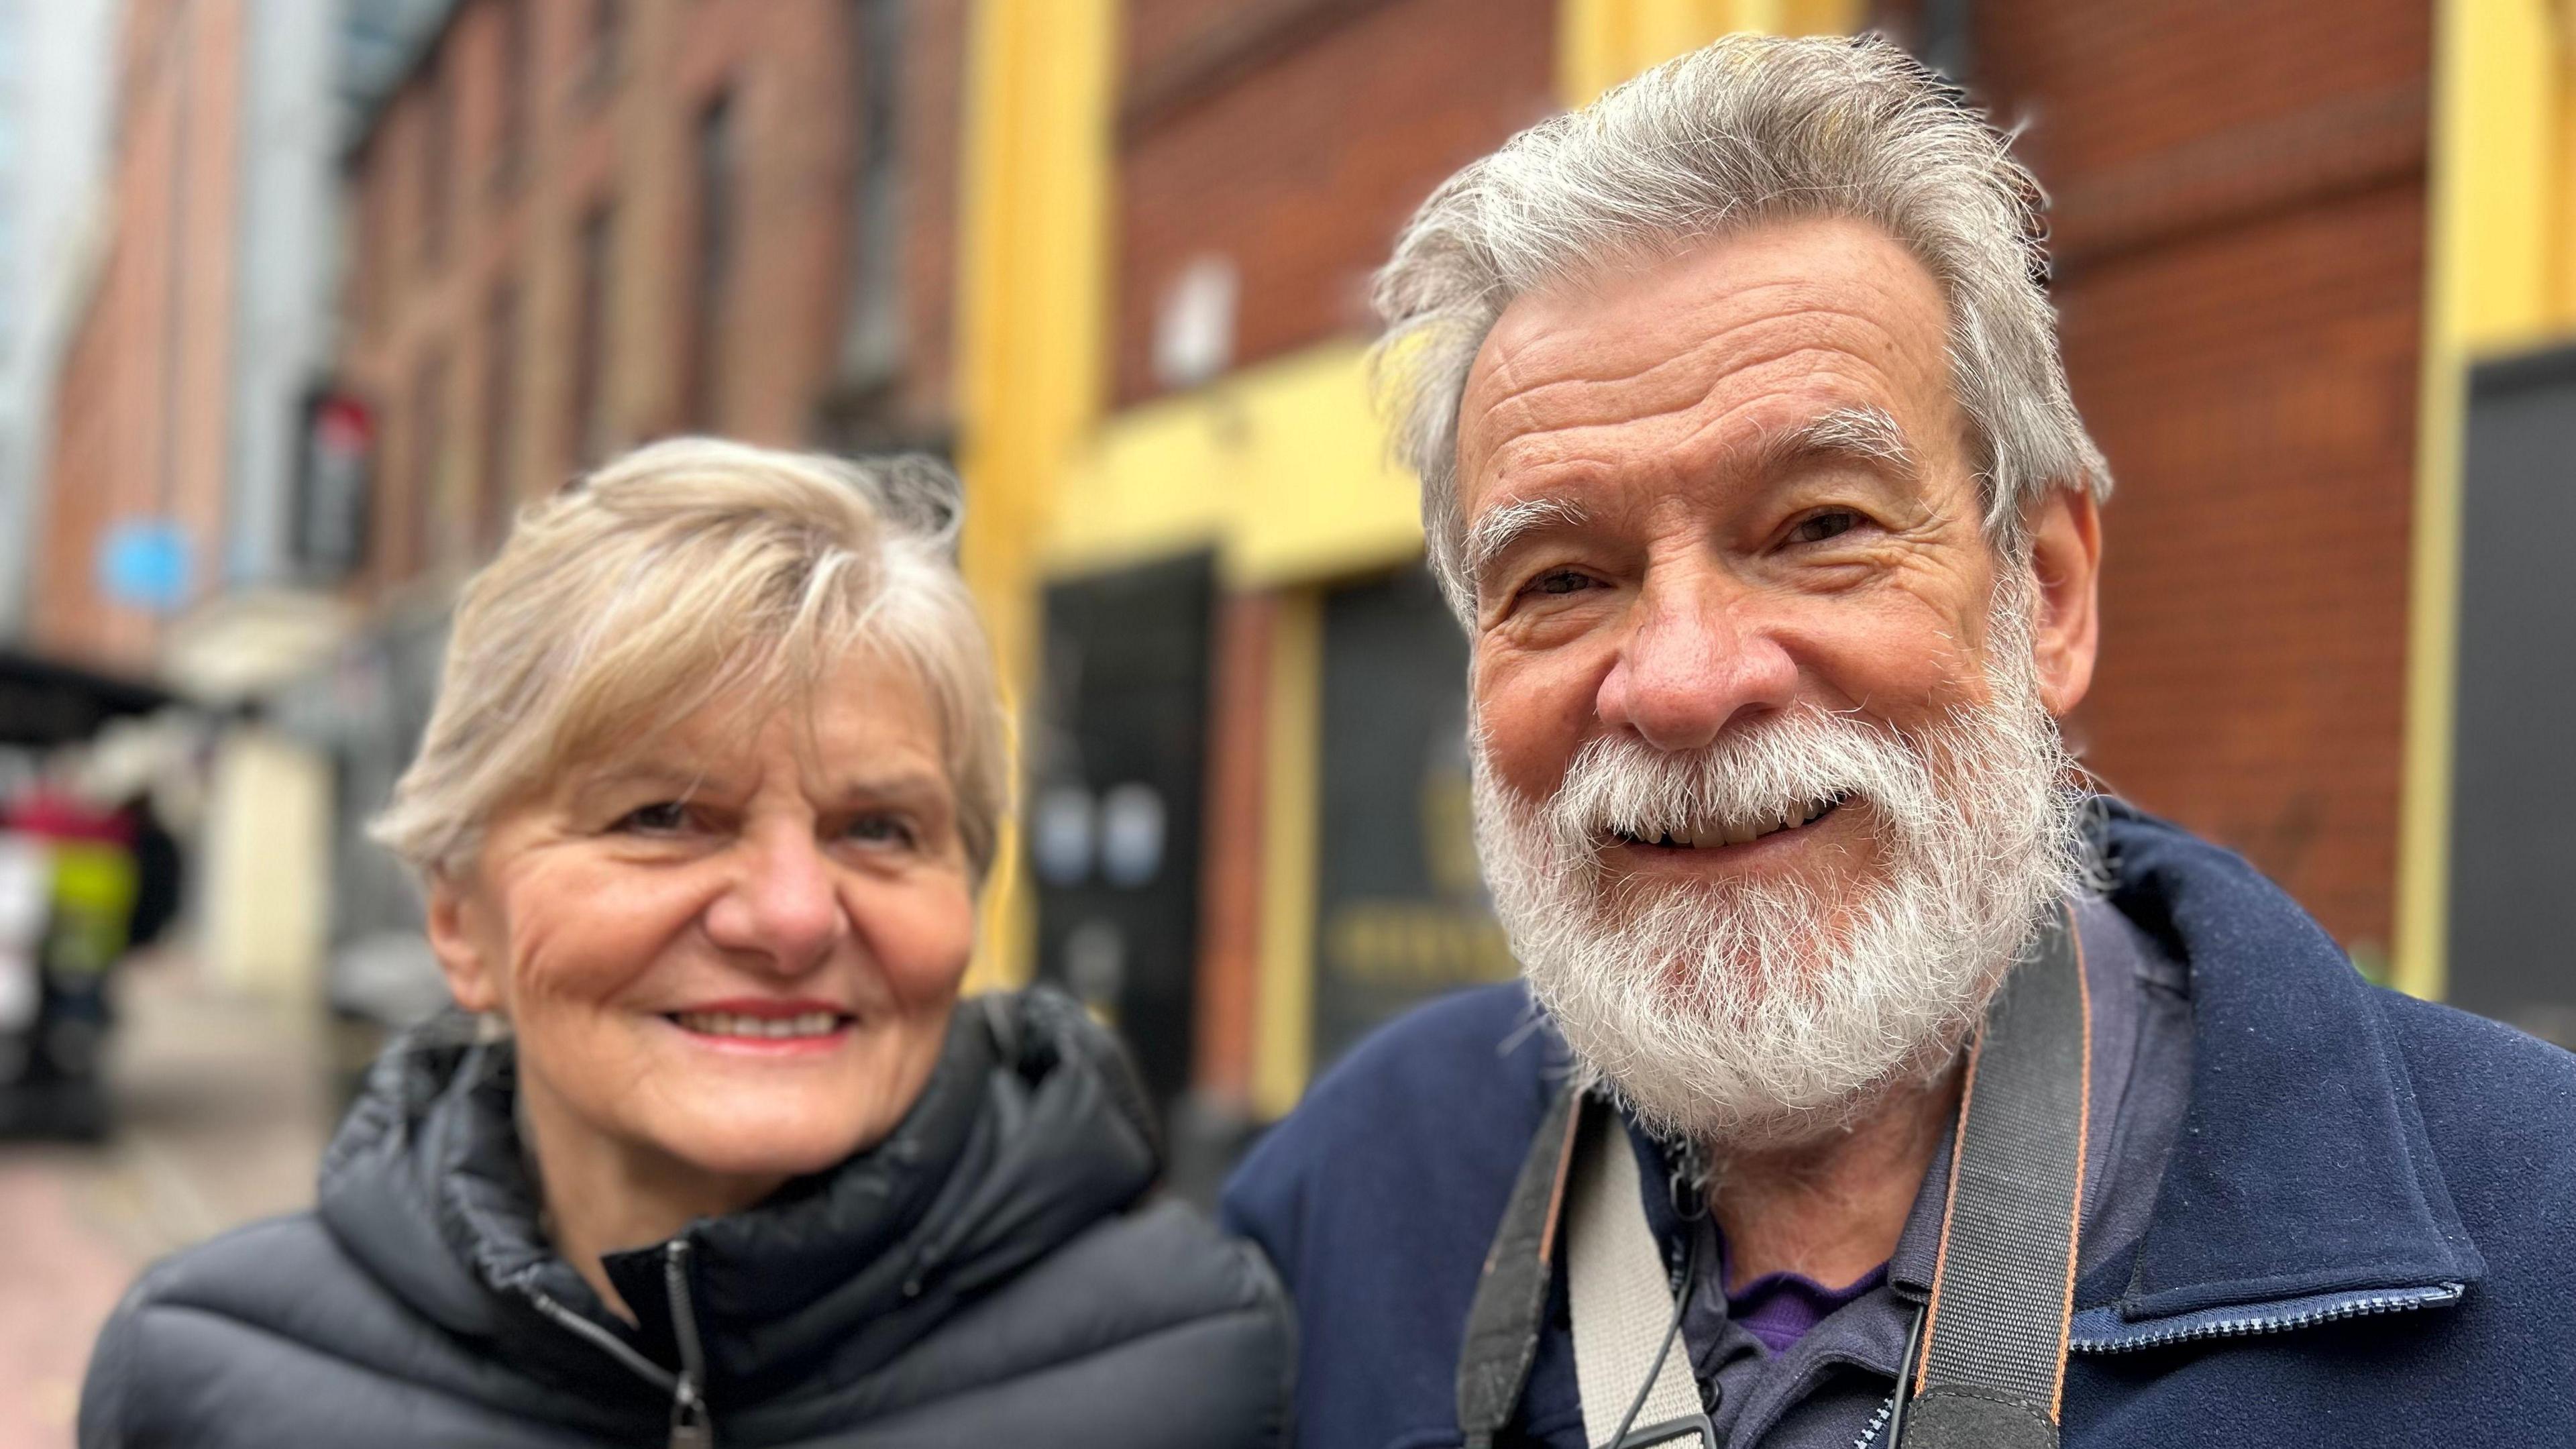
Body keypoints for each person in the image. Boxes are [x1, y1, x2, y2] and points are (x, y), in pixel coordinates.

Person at [1222, 34, 2576, 1448]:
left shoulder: (2534, 1252)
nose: (1683, 684)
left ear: (2045, 592)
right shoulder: (1354, 1200)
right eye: (1562, 580)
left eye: (1819, 530)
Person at [81, 440, 1293, 1448]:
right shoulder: (203, 1376)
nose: (790, 916)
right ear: (459, 921)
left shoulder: (1199, 1364)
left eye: (878, 829)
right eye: (662, 818)